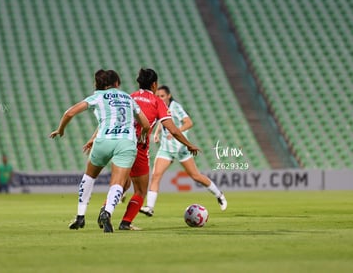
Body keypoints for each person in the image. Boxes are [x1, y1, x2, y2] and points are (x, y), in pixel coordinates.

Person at [84, 68, 200, 230]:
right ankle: (126, 222)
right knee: (140, 190)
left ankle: (106, 210)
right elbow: (173, 129)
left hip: (119, 143)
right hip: (137, 147)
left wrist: (92, 138)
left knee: (121, 184)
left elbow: (109, 120)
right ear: (154, 84)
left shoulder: (128, 96)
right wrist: (189, 144)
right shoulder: (156, 101)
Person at [50, 69, 150, 233]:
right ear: (117, 83)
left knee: (89, 176)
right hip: (126, 142)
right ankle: (107, 211)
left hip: (104, 140)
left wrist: (61, 130)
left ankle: (80, 216)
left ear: (98, 84)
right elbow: (145, 125)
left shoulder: (97, 96)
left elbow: (69, 113)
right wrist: (143, 137)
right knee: (118, 182)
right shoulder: (128, 98)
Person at [140, 85, 227, 217]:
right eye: (158, 96)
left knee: (196, 176)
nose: (160, 98)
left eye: (162, 96)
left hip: (181, 147)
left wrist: (176, 132)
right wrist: (157, 133)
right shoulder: (159, 106)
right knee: (156, 175)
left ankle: (219, 195)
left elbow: (189, 122)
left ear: (169, 96)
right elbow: (161, 121)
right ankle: (150, 207)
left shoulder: (176, 107)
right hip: (166, 148)